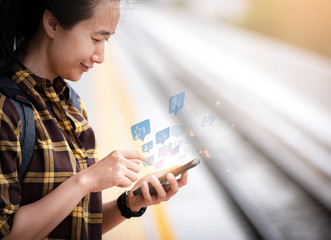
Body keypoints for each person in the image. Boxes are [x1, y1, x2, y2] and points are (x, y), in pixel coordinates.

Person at [0, 0, 188, 239]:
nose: (100, 57)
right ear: (53, 24)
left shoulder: (71, 103)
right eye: (96, 39)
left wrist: (129, 204)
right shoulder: (6, 109)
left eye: (106, 41)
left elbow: (76, 222)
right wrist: (86, 180)